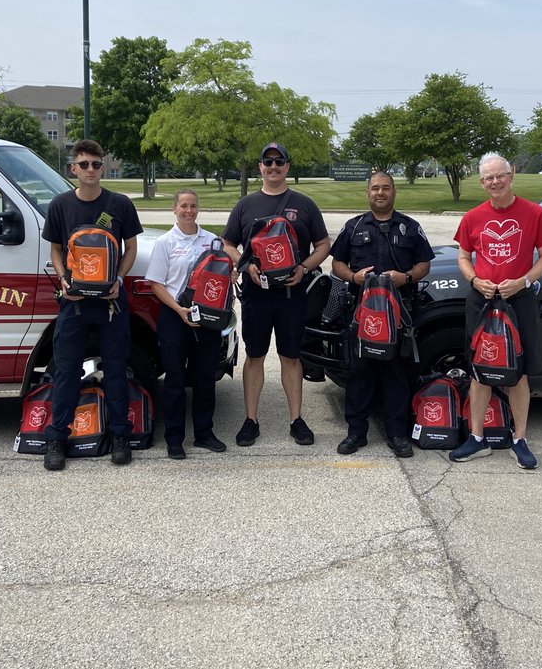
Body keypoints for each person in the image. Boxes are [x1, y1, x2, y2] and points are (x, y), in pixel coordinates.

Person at [450, 153, 542, 468]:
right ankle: (477, 438)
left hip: (519, 300)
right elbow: (463, 257)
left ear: (510, 175)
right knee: (480, 370)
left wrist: (523, 281)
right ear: (482, 183)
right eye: (488, 178)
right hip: (482, 301)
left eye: (500, 175)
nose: (495, 182)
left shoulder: (534, 213)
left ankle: (520, 439)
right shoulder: (472, 217)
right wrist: (475, 280)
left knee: (517, 373)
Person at [41, 139, 143, 471]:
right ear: (73, 168)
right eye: (83, 164)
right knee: (66, 370)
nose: (90, 170)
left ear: (102, 167)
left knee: (115, 370)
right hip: (74, 303)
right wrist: (64, 279)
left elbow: (130, 248)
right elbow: (56, 249)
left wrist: (119, 279)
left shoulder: (120, 204)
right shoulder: (60, 205)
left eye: (96, 165)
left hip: (111, 302)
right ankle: (57, 437)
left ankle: (120, 437)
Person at [222, 142, 330, 447]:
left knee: (290, 357)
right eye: (267, 162)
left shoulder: (304, 204)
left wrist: (305, 268)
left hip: (291, 296)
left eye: (278, 162)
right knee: (255, 356)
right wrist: (245, 264)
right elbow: (228, 243)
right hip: (257, 296)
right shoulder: (245, 205)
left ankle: (296, 419)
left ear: (287, 166)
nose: (273, 167)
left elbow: (323, 244)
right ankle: (250, 420)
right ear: (260, 167)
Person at [329, 172, 434, 457]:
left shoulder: (410, 227)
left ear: (394, 192)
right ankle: (356, 433)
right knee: (360, 373)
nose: (380, 193)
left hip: (399, 314)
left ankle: (397, 434)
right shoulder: (354, 227)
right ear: (368, 193)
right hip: (362, 313)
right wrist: (353, 276)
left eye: (385, 188)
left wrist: (407, 277)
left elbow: (425, 263)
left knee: (396, 374)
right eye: (375, 188)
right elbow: (336, 263)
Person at [144, 189, 228, 460]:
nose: (189, 210)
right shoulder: (165, 242)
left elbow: (222, 275)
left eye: (193, 206)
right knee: (175, 379)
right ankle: (174, 439)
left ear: (198, 208)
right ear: (174, 209)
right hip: (174, 315)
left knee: (205, 377)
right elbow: (156, 283)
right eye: (183, 206)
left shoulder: (212, 241)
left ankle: (204, 433)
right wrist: (179, 310)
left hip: (207, 318)